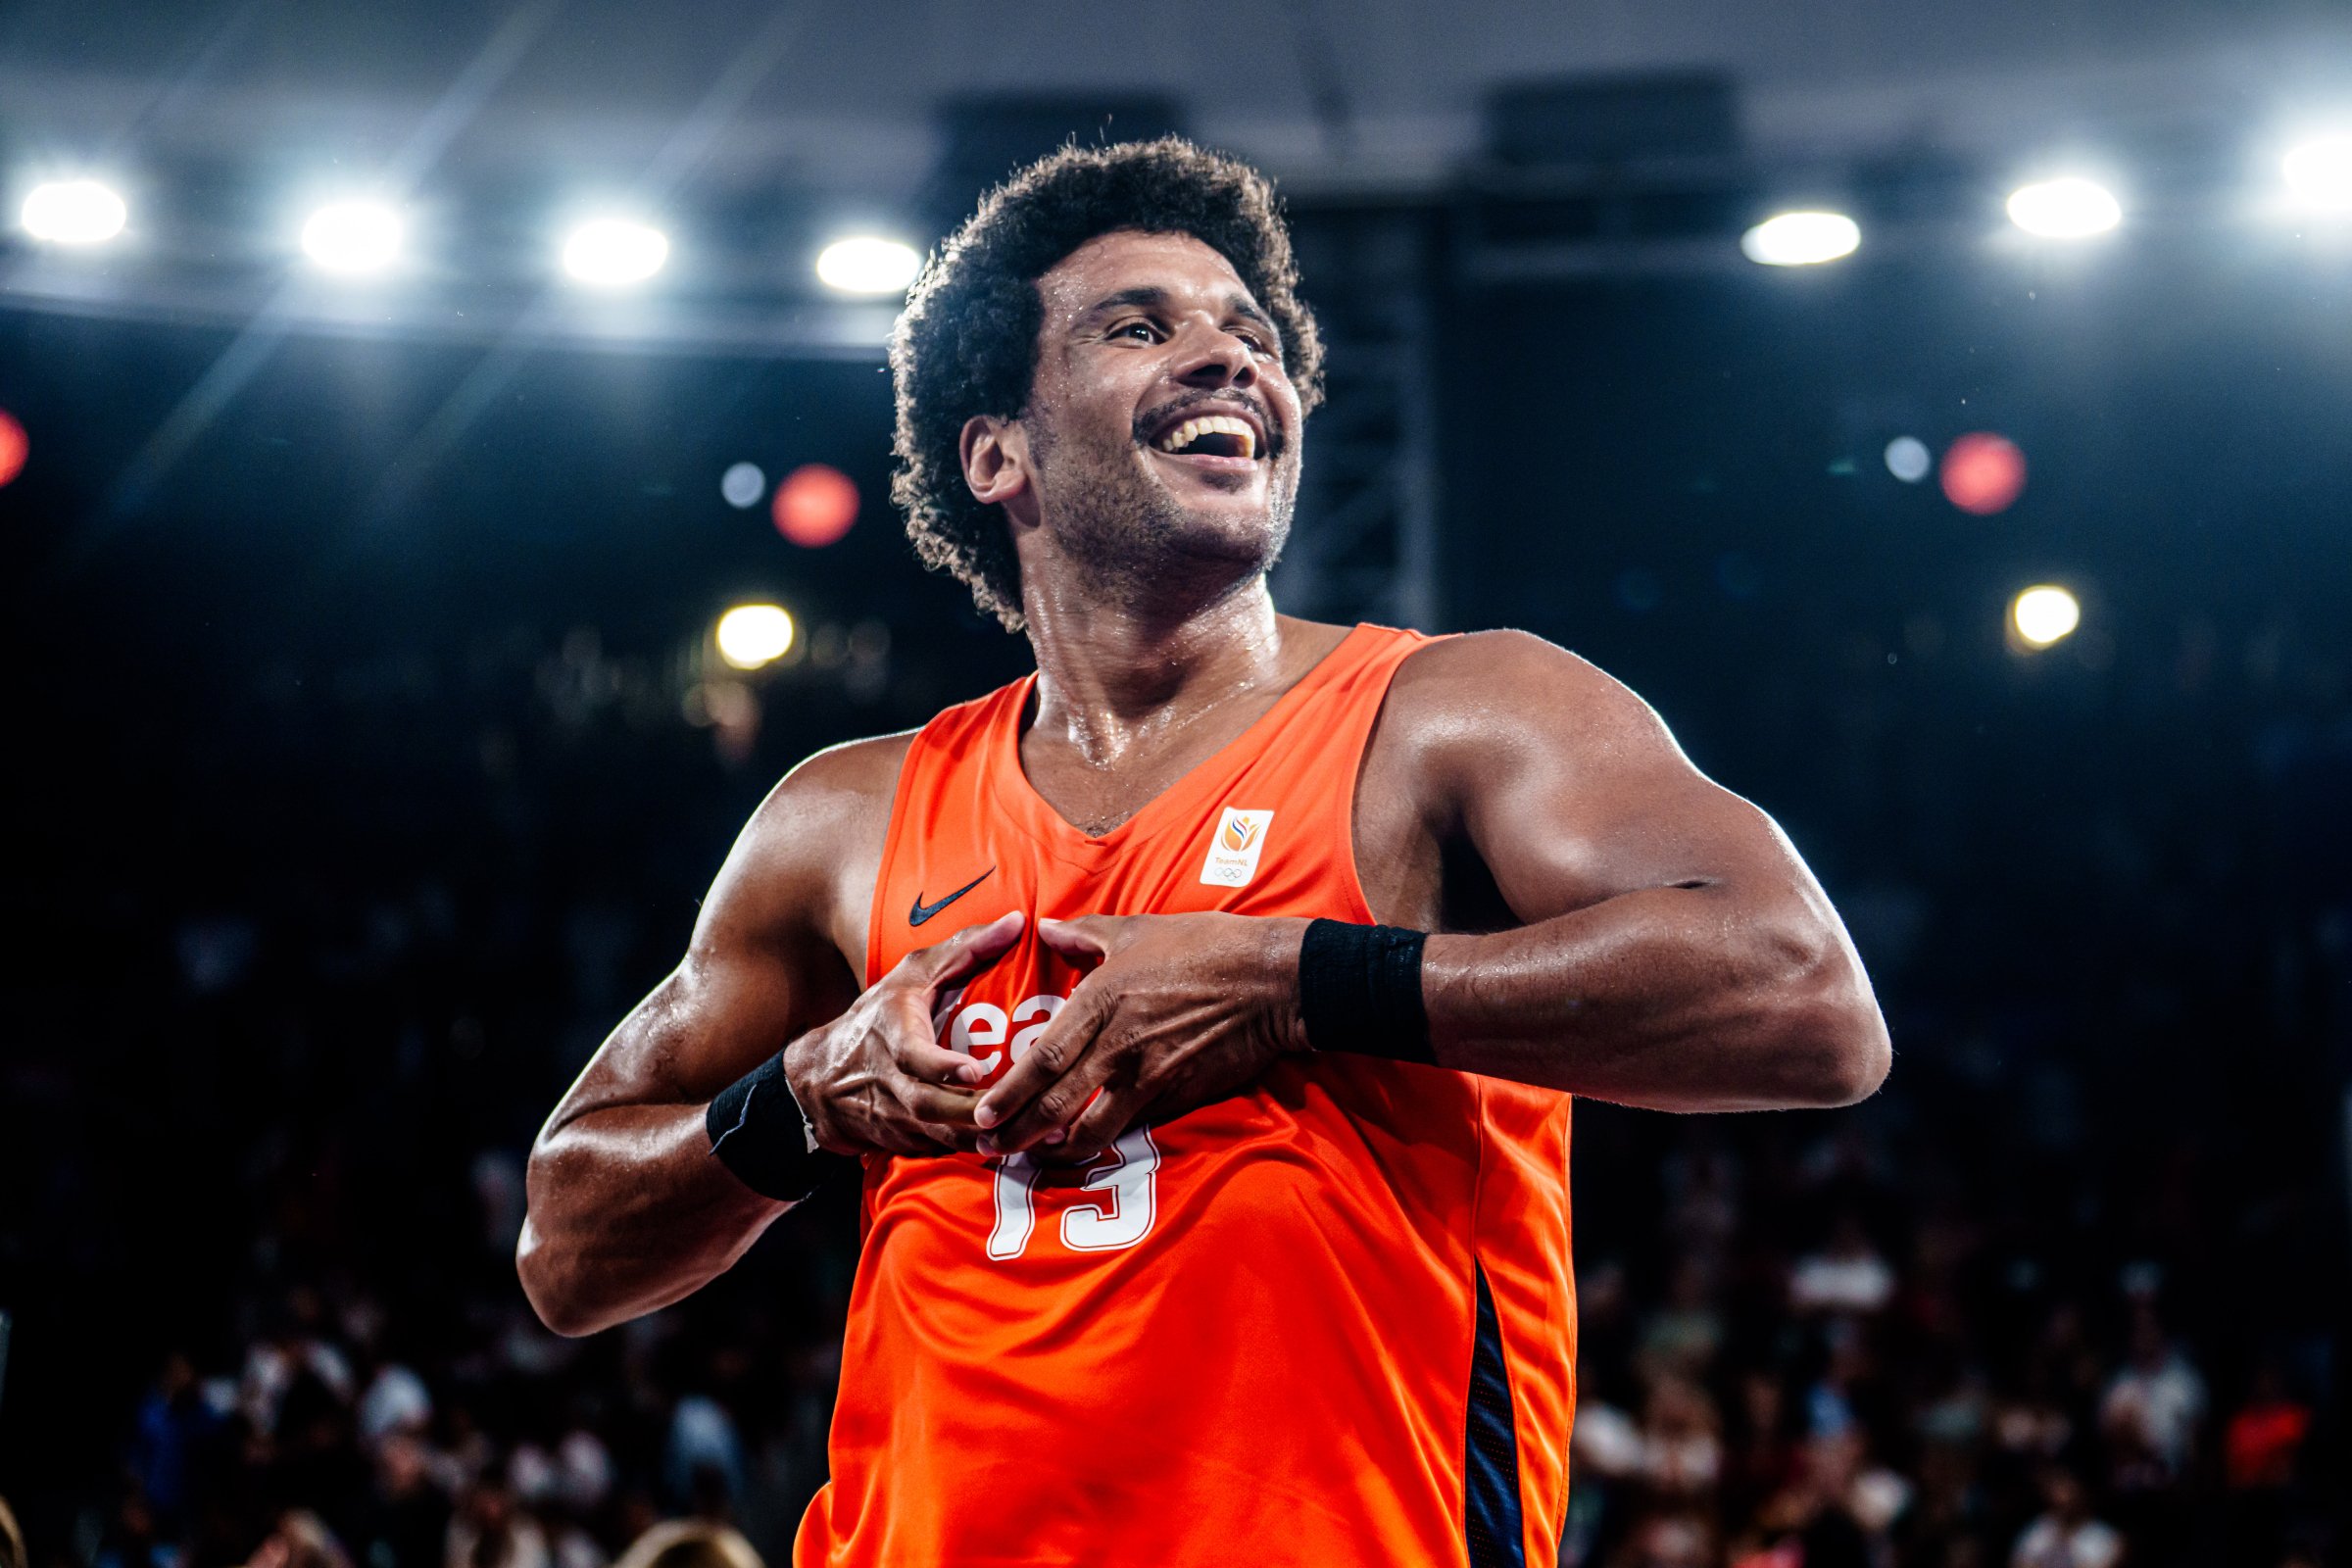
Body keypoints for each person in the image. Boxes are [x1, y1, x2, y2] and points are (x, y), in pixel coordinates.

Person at [516, 137, 1889, 1567]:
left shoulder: (1450, 713)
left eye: (1253, 336)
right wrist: (801, 1099)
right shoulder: (845, 819)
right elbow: (566, 1247)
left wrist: (1297, 983)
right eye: (1138, 327)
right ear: (997, 451)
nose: (1231, 359)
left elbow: (1804, 994)